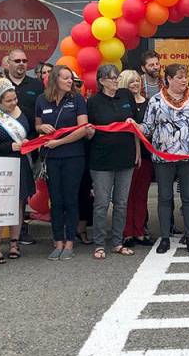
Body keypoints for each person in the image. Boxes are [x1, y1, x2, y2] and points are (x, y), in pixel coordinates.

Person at [142, 64, 189, 254]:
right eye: (179, 77)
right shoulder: (156, 101)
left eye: (185, 77)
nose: (184, 81)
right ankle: (165, 237)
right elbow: (148, 128)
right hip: (164, 157)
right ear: (169, 80)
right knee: (164, 197)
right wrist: (134, 125)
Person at [0, 77, 36, 263]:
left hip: (21, 163)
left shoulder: (25, 112)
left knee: (18, 204)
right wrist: (9, 147)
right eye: (8, 101)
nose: (13, 103)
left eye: (15, 99)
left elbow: (33, 132)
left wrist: (29, 142)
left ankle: (14, 243)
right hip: (0, 165)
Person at [85, 64, 140, 259]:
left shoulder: (126, 95)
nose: (116, 80)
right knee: (101, 203)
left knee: (121, 202)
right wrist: (89, 133)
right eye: (112, 77)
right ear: (101, 81)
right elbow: (87, 131)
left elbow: (135, 123)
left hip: (125, 157)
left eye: (117, 77)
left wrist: (138, 150)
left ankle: (117, 241)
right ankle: (99, 243)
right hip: (101, 159)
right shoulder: (93, 102)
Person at [36, 65, 90, 261]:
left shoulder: (77, 99)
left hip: (73, 156)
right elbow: (37, 125)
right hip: (51, 158)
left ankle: (69, 243)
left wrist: (59, 142)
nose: (70, 81)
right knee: (56, 200)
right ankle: (57, 241)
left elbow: (83, 128)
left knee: (70, 199)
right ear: (55, 80)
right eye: (66, 78)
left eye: (71, 78)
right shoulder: (42, 99)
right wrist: (41, 126)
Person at [120, 69, 154, 248]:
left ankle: (140, 231)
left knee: (141, 195)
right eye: (131, 81)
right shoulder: (121, 104)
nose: (135, 84)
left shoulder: (149, 103)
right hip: (125, 155)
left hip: (146, 156)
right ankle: (127, 232)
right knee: (126, 195)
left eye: (137, 81)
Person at [5, 49, 44, 129]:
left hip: (32, 136)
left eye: (24, 61)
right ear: (8, 63)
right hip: (5, 136)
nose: (21, 63)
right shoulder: (1, 84)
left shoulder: (37, 85)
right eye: (17, 61)